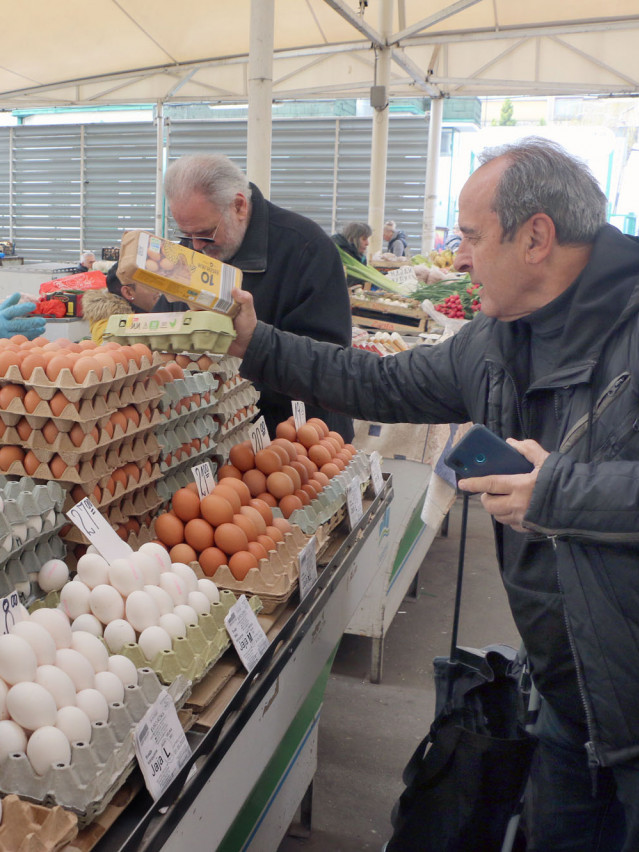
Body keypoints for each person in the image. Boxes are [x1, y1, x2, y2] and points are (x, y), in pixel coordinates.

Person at [227, 137, 639, 851]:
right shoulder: (494, 340)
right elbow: (380, 384)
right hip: (565, 693)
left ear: (535, 236)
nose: (456, 256)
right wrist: (256, 342)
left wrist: (560, 492)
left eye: (473, 236)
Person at [164, 153, 354, 442]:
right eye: (186, 235)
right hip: (208, 431)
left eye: (205, 234)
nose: (197, 246)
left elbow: (326, 359)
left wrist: (248, 352)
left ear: (239, 206)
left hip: (291, 434)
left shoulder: (306, 248)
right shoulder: (191, 249)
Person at [82, 266, 187, 344]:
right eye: (150, 284)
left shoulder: (138, 316)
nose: (158, 289)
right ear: (128, 292)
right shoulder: (110, 330)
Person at [332, 222, 372, 287]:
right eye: (364, 239)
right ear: (352, 239)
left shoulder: (359, 256)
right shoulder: (340, 256)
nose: (367, 243)